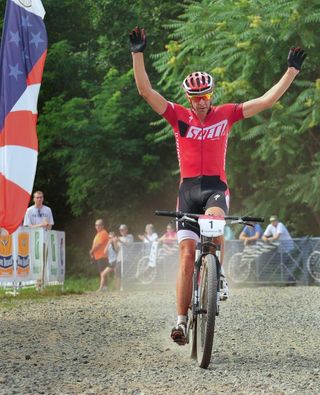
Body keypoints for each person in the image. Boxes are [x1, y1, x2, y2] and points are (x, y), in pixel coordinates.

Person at [130, 26, 306, 345]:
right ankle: (181, 321)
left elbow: (266, 101)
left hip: (214, 189)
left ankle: (217, 274)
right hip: (187, 192)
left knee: (213, 225)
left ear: (212, 95)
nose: (201, 103)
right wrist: (137, 54)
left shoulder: (225, 115)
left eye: (206, 96)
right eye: (196, 98)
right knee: (185, 257)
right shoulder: (178, 117)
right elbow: (145, 92)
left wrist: (291, 71)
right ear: (189, 99)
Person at [262, 215, 295, 282]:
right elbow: (263, 236)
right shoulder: (270, 226)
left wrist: (268, 240)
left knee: (285, 263)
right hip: (281, 249)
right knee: (282, 264)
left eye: (274, 221)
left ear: (277, 221)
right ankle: (289, 279)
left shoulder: (280, 225)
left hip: (288, 247)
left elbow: (277, 237)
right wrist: (265, 239)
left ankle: (290, 279)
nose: (273, 222)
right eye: (271, 221)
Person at [89, 219, 109, 291]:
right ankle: (105, 287)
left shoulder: (103, 233)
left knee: (102, 272)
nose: (97, 227)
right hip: (98, 256)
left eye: (99, 225)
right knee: (102, 271)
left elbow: (99, 244)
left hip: (102, 255)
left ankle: (103, 287)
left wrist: (92, 251)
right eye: (96, 225)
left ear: (102, 226)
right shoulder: (98, 234)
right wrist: (92, 253)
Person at [115, 224, 134, 290]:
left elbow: (128, 244)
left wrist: (119, 240)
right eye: (120, 230)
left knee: (126, 274)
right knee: (118, 274)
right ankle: (118, 289)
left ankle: (127, 287)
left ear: (126, 230)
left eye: (122, 230)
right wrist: (115, 242)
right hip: (120, 259)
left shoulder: (130, 236)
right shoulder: (119, 238)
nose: (121, 231)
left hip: (127, 259)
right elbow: (116, 250)